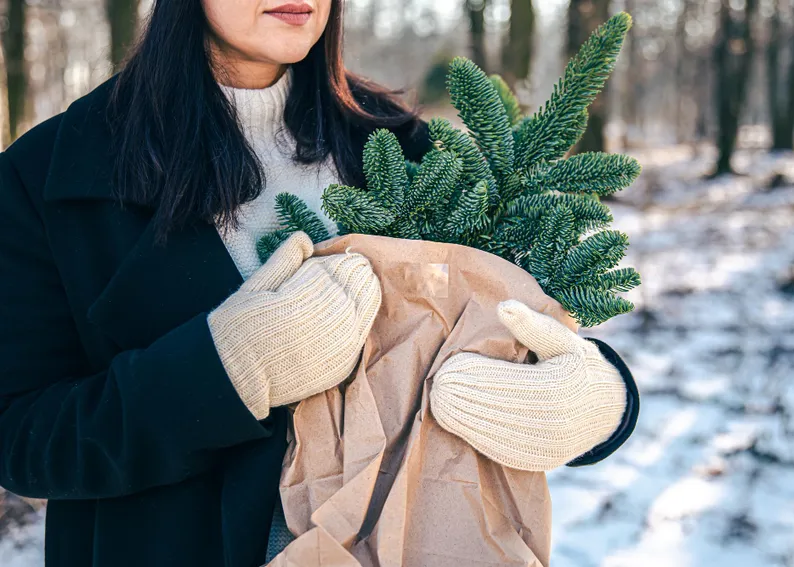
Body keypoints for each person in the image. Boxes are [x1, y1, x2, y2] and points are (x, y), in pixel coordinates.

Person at [0, 1, 639, 566]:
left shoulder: (402, 148)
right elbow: (22, 436)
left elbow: (512, 316)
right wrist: (230, 370)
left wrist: (600, 400)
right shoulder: (50, 178)